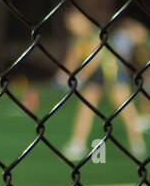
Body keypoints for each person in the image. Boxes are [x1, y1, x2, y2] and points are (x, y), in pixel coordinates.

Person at [61, 9, 147, 161]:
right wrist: (63, 76)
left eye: (74, 22)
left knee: (125, 108)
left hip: (111, 72)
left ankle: (137, 142)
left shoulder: (94, 34)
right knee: (85, 107)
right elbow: (72, 58)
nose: (71, 26)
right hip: (95, 76)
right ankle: (77, 143)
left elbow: (93, 60)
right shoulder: (77, 39)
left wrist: (81, 76)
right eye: (69, 23)